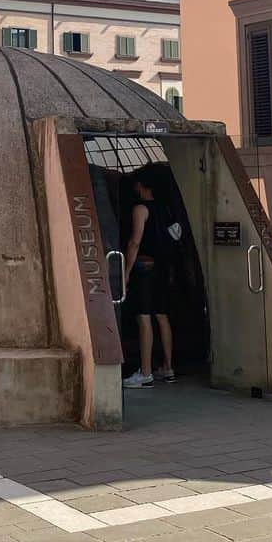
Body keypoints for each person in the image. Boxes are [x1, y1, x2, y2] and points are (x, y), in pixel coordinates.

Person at [121, 165, 176, 389]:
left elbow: (135, 242)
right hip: (163, 268)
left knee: (143, 317)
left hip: (145, 269)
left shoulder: (141, 209)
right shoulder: (167, 209)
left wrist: (125, 273)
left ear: (143, 186)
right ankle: (168, 367)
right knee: (162, 316)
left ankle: (145, 373)